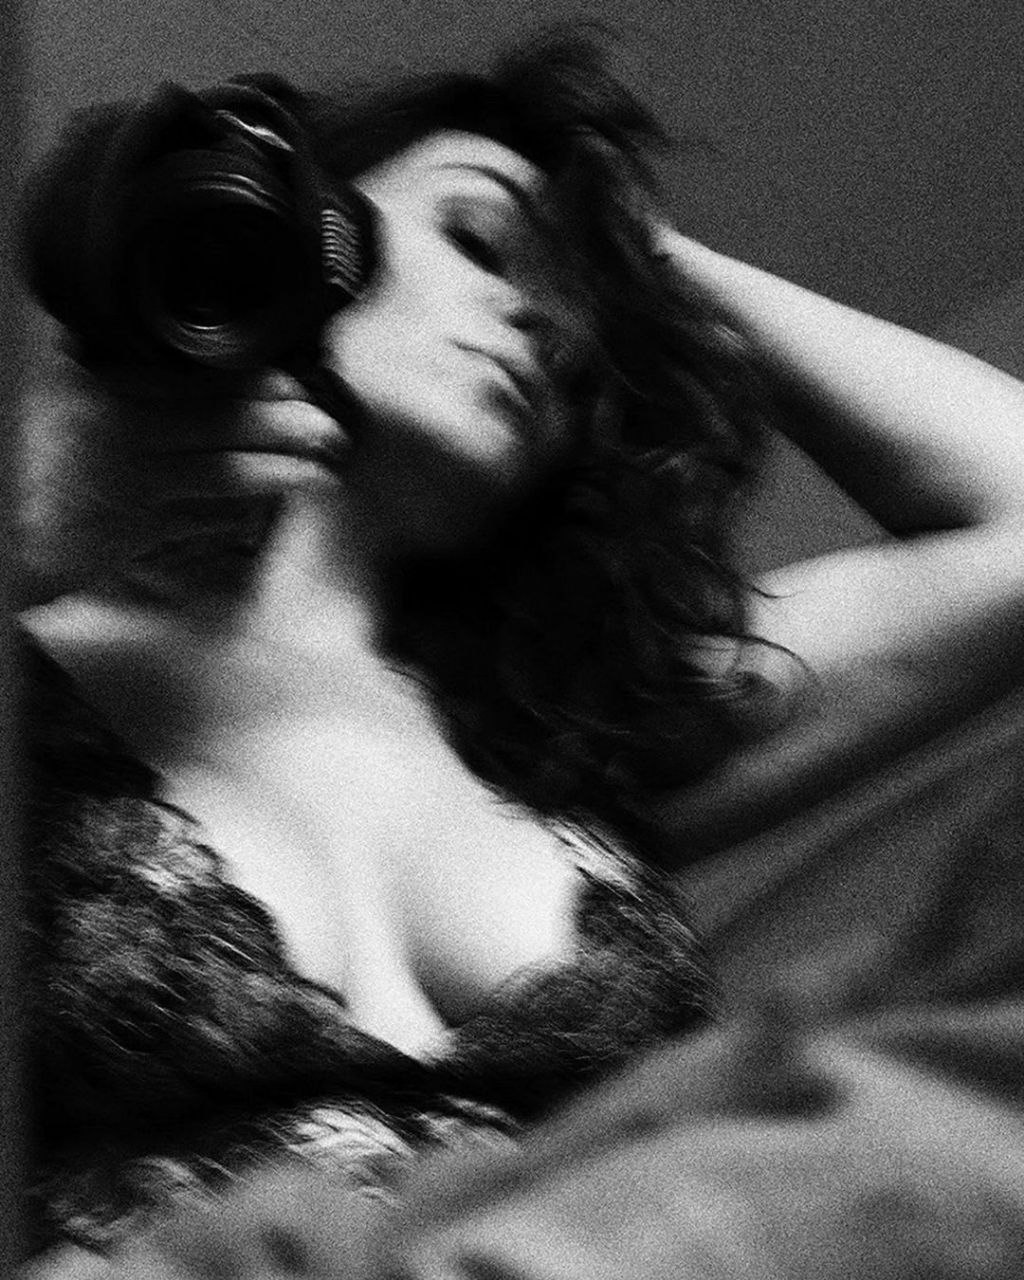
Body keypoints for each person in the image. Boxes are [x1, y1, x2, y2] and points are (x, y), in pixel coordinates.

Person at [15, 31, 1024, 1278]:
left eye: (573, 318)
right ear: (300, 231)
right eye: (480, 242)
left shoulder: (572, 733)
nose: (540, 318)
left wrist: (637, 253)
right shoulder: (33, 665)